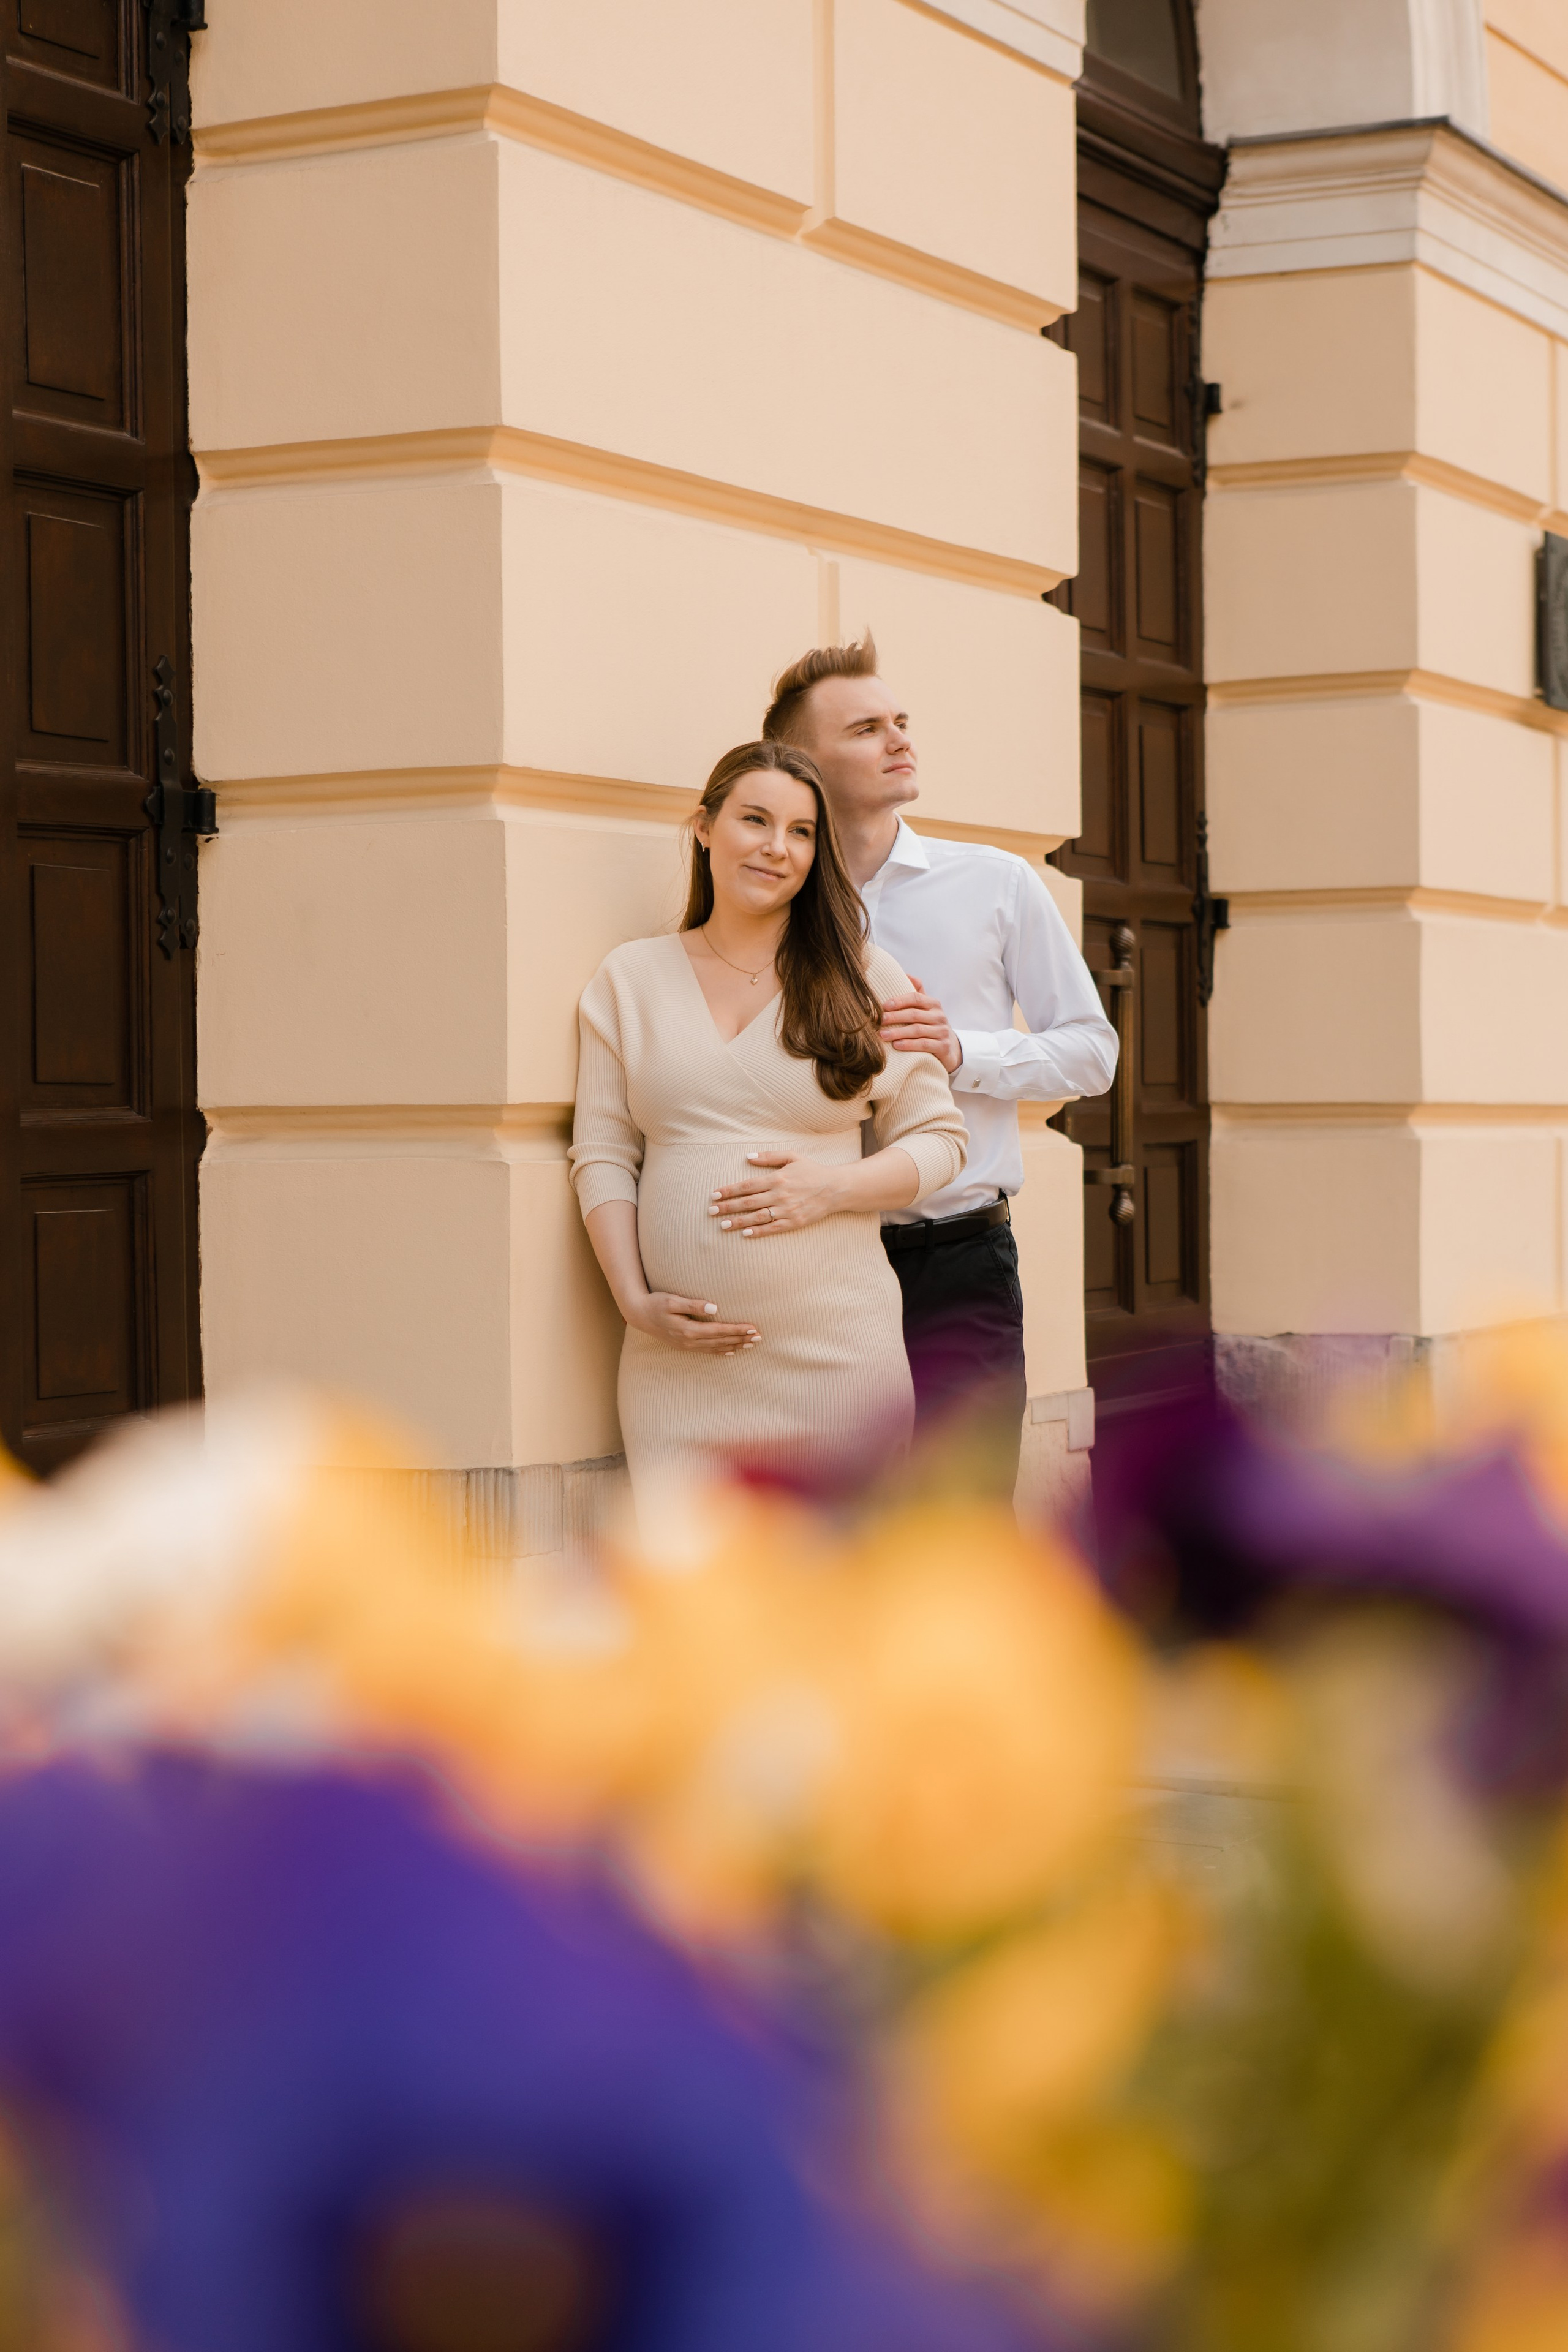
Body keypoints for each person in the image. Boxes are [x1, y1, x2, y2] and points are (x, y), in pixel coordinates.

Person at [568, 739, 967, 1509]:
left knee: (834, 1599)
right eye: (755, 820)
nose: (777, 849)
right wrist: (633, 1302)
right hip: (677, 1370)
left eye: (801, 832)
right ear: (704, 827)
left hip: (837, 1362)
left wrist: (834, 1189)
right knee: (692, 1597)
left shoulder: (861, 977)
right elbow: (604, 1153)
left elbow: (940, 1139)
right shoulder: (632, 978)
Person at [761, 636, 1117, 1496]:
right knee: (831, 1525)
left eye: (902, 723)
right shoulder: (767, 902)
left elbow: (1092, 1051)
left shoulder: (995, 885)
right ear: (804, 764)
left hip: (958, 1261)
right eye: (867, 729)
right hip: (820, 1267)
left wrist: (962, 1051)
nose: (899, 741)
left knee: (961, 1534)